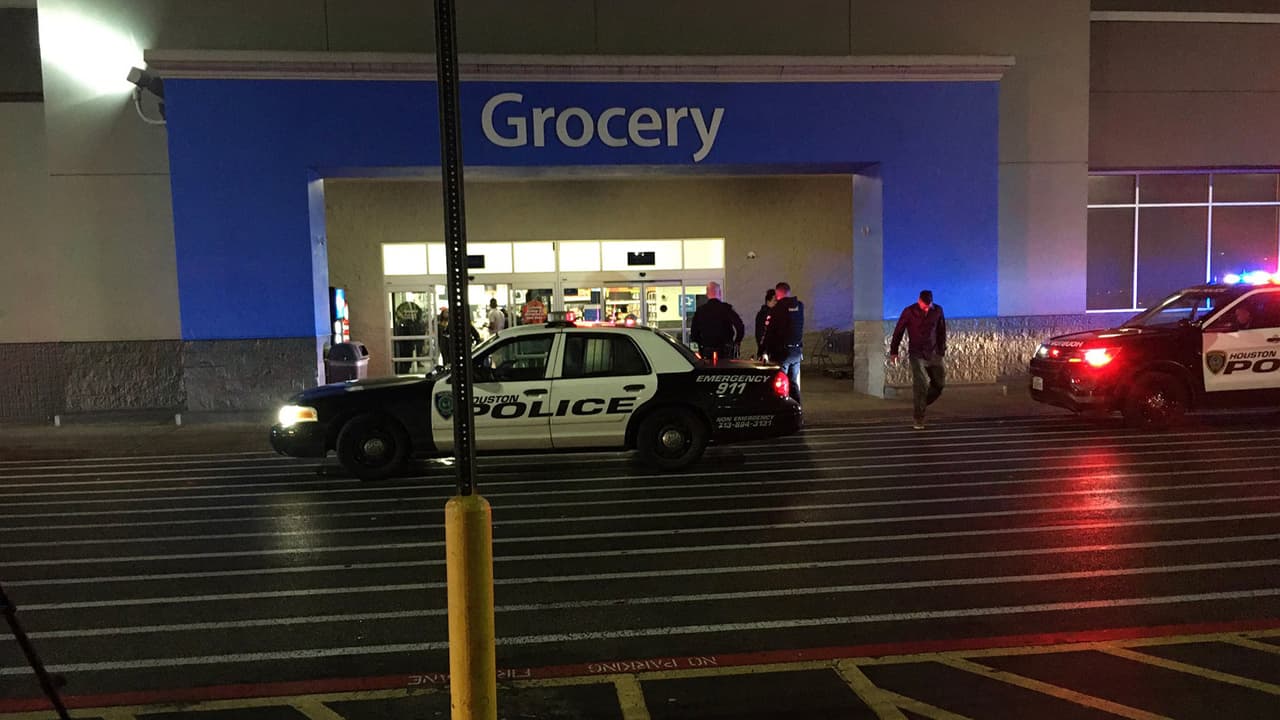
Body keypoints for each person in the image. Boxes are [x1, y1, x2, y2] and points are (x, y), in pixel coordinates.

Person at [890, 289, 947, 430]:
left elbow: (941, 331)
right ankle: (919, 417)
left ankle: (920, 403)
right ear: (919, 300)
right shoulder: (909, 311)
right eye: (923, 305)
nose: (926, 308)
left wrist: (941, 350)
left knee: (939, 384)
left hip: (933, 353)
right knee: (921, 384)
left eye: (928, 306)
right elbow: (899, 330)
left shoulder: (938, 311)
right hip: (917, 353)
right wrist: (894, 351)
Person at [762, 282, 805, 403]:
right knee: (793, 383)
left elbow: (769, 332)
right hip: (796, 352)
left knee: (780, 384)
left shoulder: (777, 309)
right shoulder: (799, 306)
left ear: (777, 294)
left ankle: (783, 409)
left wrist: (764, 351)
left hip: (782, 352)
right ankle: (797, 407)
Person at [690, 281, 746, 363]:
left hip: (707, 349)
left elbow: (694, 333)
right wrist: (736, 342)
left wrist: (701, 344)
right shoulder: (726, 309)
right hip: (725, 349)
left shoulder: (700, 311)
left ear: (707, 293)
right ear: (719, 293)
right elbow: (740, 326)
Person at [754, 288, 776, 359]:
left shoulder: (766, 312)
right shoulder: (764, 314)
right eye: (774, 300)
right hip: (766, 349)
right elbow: (761, 332)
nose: (776, 302)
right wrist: (763, 349)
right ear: (768, 301)